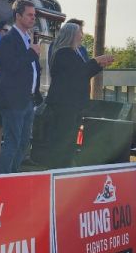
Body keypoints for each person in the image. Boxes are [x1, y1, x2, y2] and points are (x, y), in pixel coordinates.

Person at [39, 21, 113, 169]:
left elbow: (83, 74)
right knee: (63, 136)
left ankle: (65, 164)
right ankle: (58, 166)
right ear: (72, 34)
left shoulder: (73, 53)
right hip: (64, 103)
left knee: (70, 136)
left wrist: (99, 66)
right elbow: (79, 71)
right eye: (79, 32)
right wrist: (96, 61)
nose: (82, 35)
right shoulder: (63, 53)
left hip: (73, 103)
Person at [0, 0, 41, 174]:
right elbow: (11, 67)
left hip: (28, 100)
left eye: (34, 15)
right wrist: (31, 53)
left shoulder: (28, 39)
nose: (33, 18)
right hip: (13, 100)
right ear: (18, 16)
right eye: (29, 15)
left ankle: (14, 176)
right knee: (12, 142)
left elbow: (32, 69)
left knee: (23, 143)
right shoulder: (8, 40)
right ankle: (4, 179)